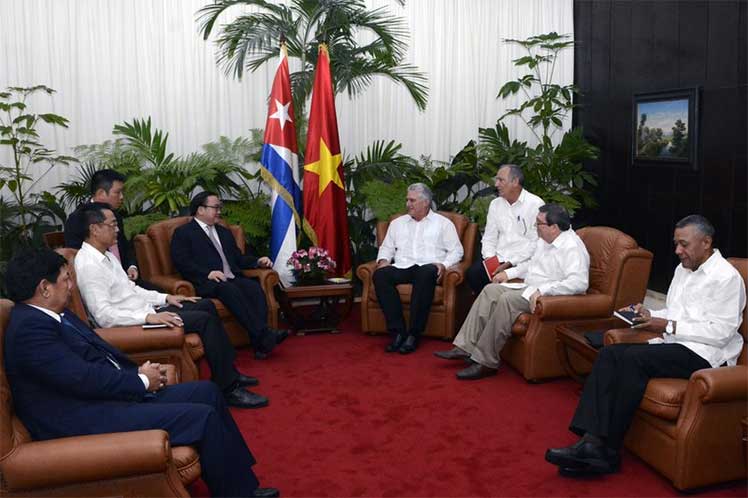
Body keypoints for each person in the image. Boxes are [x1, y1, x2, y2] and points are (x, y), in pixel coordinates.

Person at [3, 247, 279, 498]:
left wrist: (138, 372)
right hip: (81, 418)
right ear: (44, 287)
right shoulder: (30, 329)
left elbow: (98, 357)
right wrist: (141, 381)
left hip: (102, 399)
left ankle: (240, 480)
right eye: (65, 279)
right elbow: (81, 378)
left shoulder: (55, 315)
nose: (72, 286)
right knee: (201, 417)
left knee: (207, 391)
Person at [545, 215, 746, 477]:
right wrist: (648, 313)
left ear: (706, 242)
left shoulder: (727, 278)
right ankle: (590, 441)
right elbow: (674, 311)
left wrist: (665, 325)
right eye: (676, 244)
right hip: (675, 343)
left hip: (706, 354)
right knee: (609, 355)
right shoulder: (683, 269)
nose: (677, 251)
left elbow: (720, 332)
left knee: (633, 359)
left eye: (683, 244)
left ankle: (608, 451)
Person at [74, 205, 267, 409]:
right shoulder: (89, 265)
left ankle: (228, 373)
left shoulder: (107, 256)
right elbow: (103, 316)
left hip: (146, 311)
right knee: (204, 319)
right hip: (133, 324)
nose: (118, 229)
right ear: (94, 229)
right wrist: (148, 317)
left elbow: (131, 290)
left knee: (205, 305)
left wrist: (167, 297)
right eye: (112, 225)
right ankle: (229, 389)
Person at [435, 204, 589, 380]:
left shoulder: (572, 247)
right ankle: (465, 347)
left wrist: (543, 290)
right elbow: (531, 265)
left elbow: (579, 283)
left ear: (553, 228)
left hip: (547, 295)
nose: (535, 227)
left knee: (507, 300)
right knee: (490, 290)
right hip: (530, 287)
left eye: (538, 224)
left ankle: (486, 362)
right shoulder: (545, 240)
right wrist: (508, 273)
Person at [171, 192, 288, 360]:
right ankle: (264, 336)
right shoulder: (184, 233)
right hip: (207, 282)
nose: (219, 211)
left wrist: (257, 262)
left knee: (254, 288)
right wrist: (208, 273)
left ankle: (260, 344)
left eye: (220, 207)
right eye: (215, 207)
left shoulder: (224, 232)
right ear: (200, 210)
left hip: (232, 278)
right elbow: (182, 262)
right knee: (228, 289)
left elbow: (238, 258)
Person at [374, 183, 464, 354]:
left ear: (426, 202)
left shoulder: (443, 224)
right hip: (402, 265)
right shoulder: (397, 223)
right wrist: (384, 260)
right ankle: (398, 332)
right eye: (407, 200)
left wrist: (443, 265)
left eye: (412, 200)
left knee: (426, 272)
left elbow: (457, 250)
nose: (408, 204)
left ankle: (413, 334)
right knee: (380, 275)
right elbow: (386, 247)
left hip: (427, 267)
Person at [465, 164, 544, 294]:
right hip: (498, 259)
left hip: (521, 261)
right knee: (473, 274)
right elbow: (489, 238)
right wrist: (491, 261)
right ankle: (489, 311)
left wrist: (510, 263)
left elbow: (536, 243)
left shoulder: (535, 204)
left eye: (501, 180)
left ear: (515, 182)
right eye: (497, 180)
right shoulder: (495, 204)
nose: (496, 184)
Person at [64, 169, 139, 281]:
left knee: (162, 295)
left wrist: (131, 267)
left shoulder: (115, 215)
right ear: (101, 193)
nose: (122, 197)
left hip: (127, 279)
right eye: (117, 192)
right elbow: (76, 256)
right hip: (102, 282)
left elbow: (125, 247)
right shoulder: (78, 219)